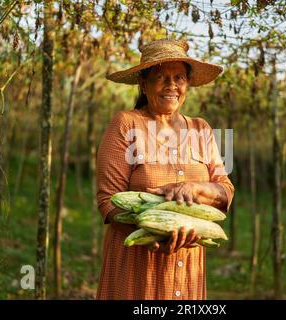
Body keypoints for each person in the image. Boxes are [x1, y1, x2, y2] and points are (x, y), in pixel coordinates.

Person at [96, 39, 235, 300]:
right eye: (161, 77)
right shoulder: (126, 124)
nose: (171, 85)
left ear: (188, 84)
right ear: (143, 84)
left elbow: (225, 190)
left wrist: (196, 189)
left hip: (188, 267)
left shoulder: (201, 129)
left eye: (179, 77)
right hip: (137, 268)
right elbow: (107, 201)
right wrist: (153, 232)